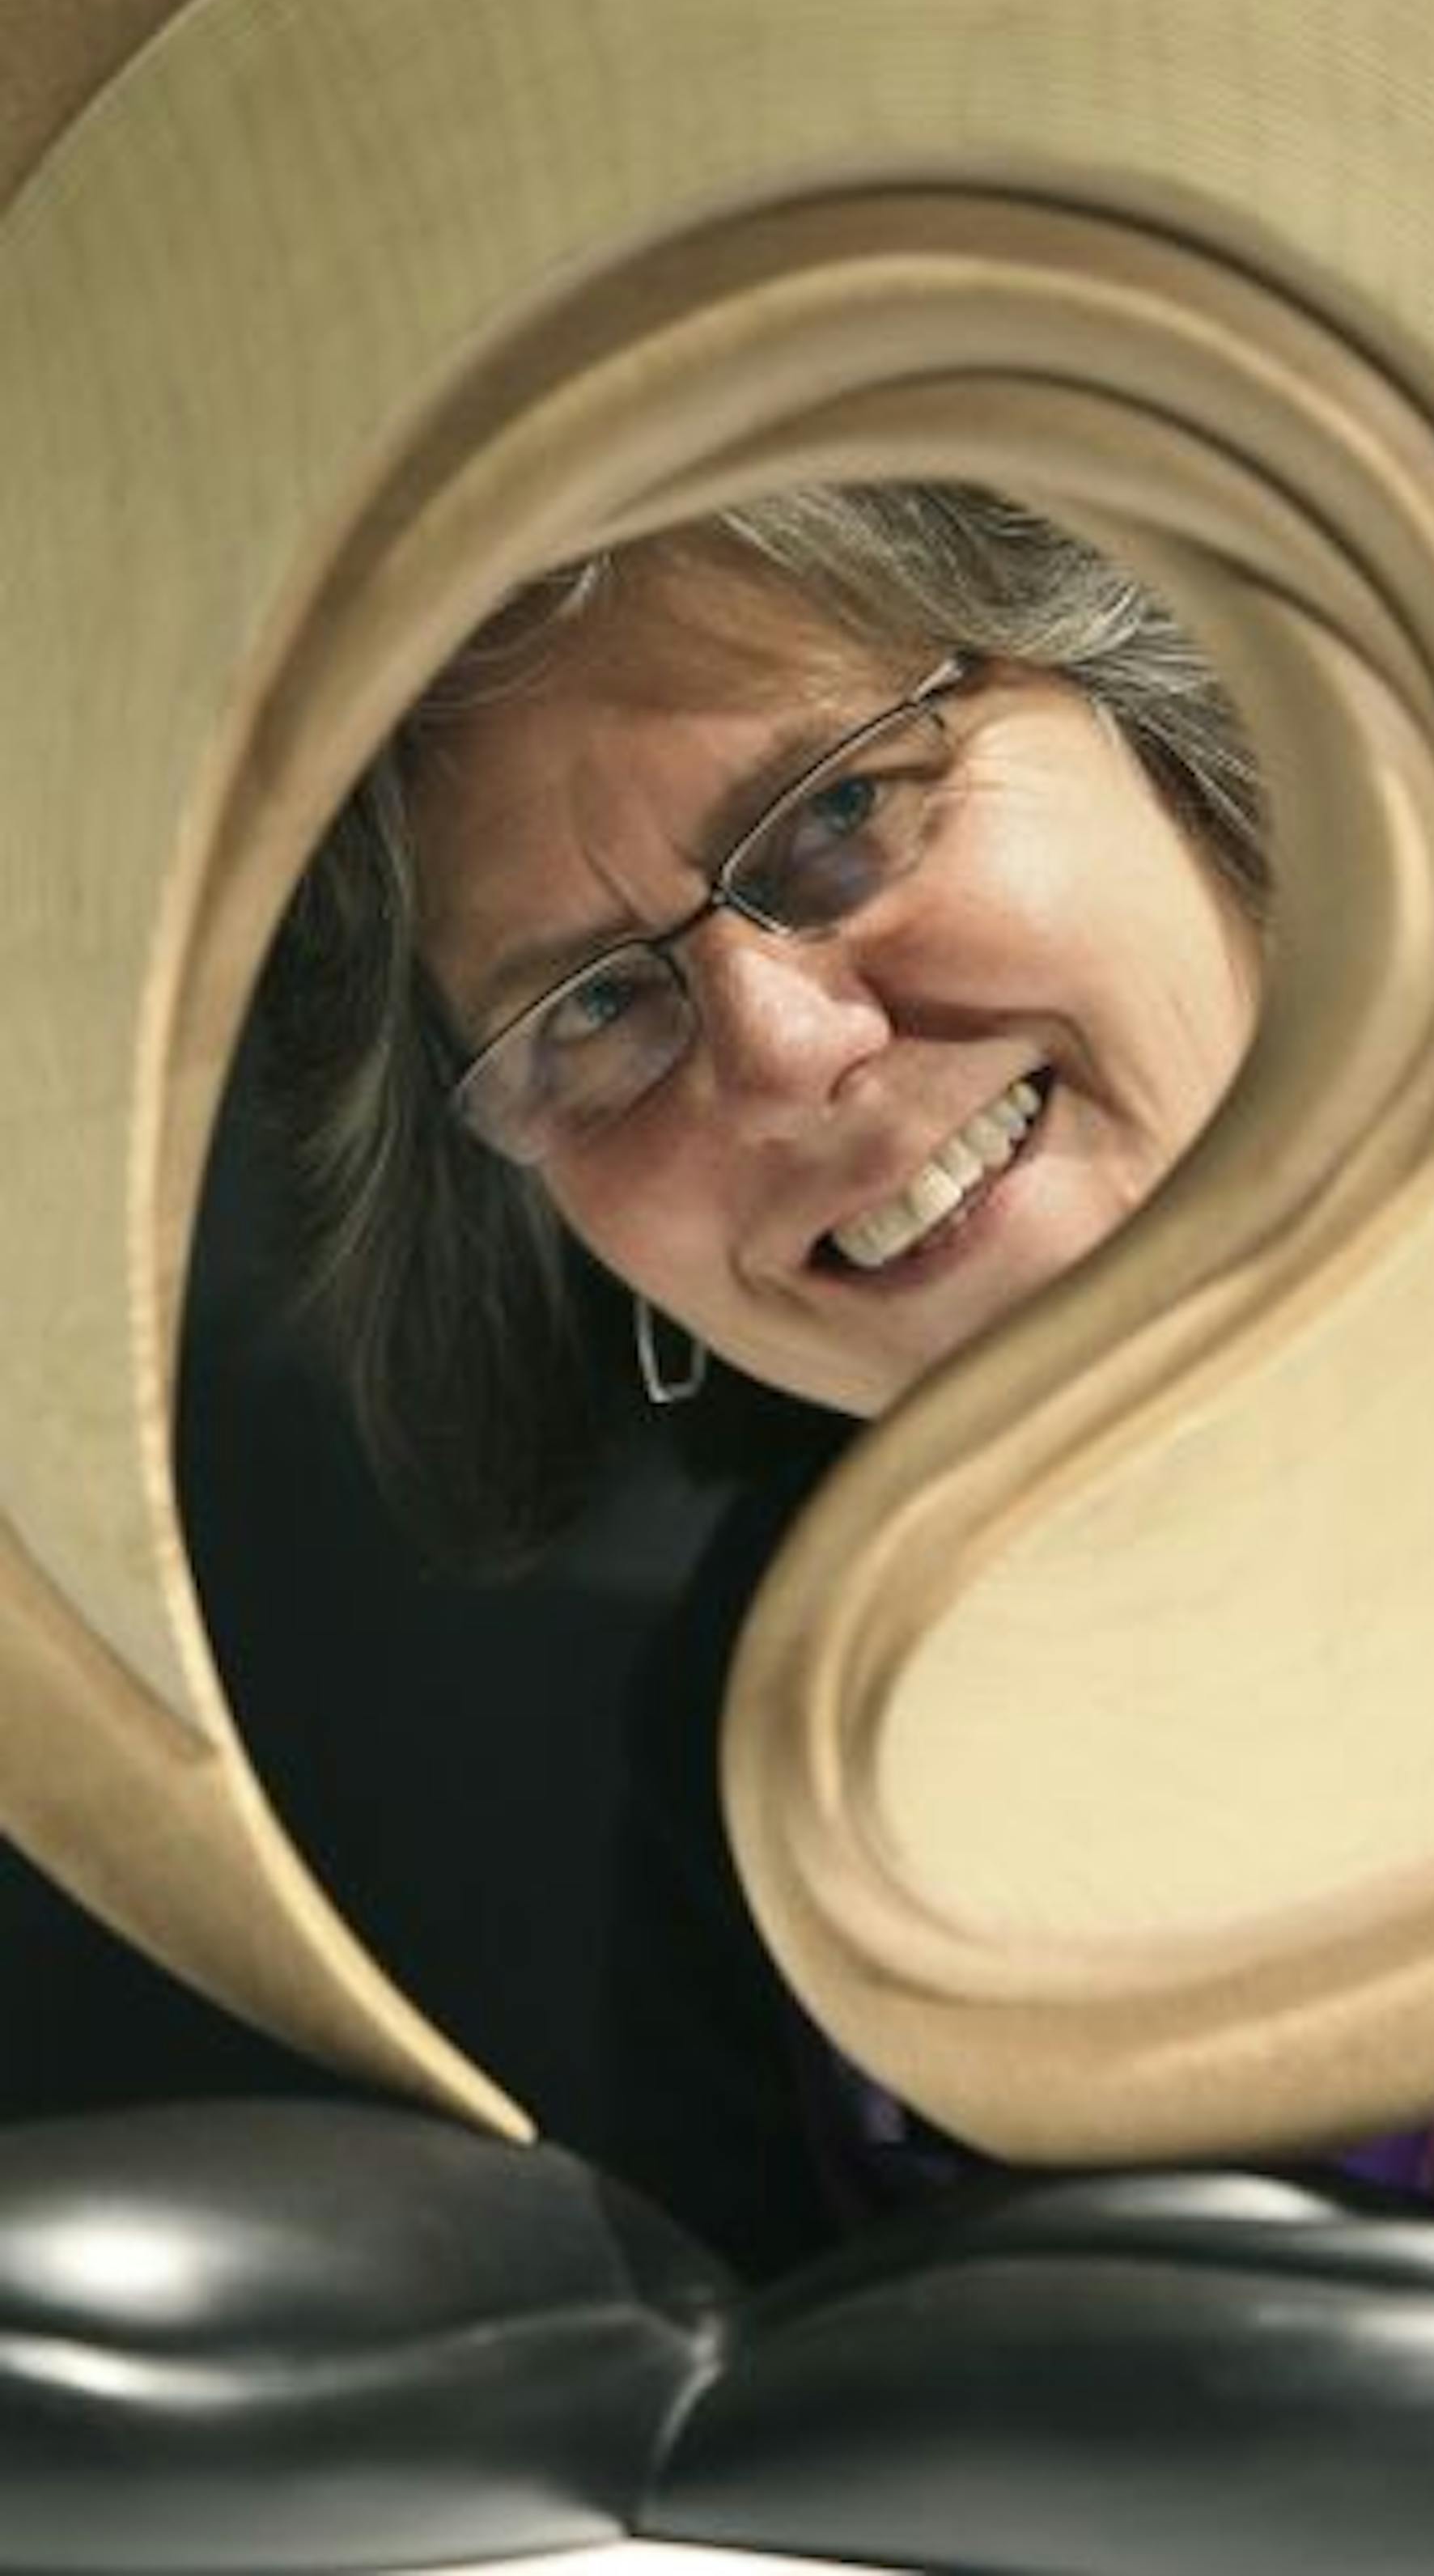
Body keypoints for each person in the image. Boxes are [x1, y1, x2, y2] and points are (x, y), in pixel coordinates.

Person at [248, 482, 1269, 2267]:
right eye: (591, 1007)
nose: (787, 1051)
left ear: (1170, 718)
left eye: (847, 809)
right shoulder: (763, 1733)